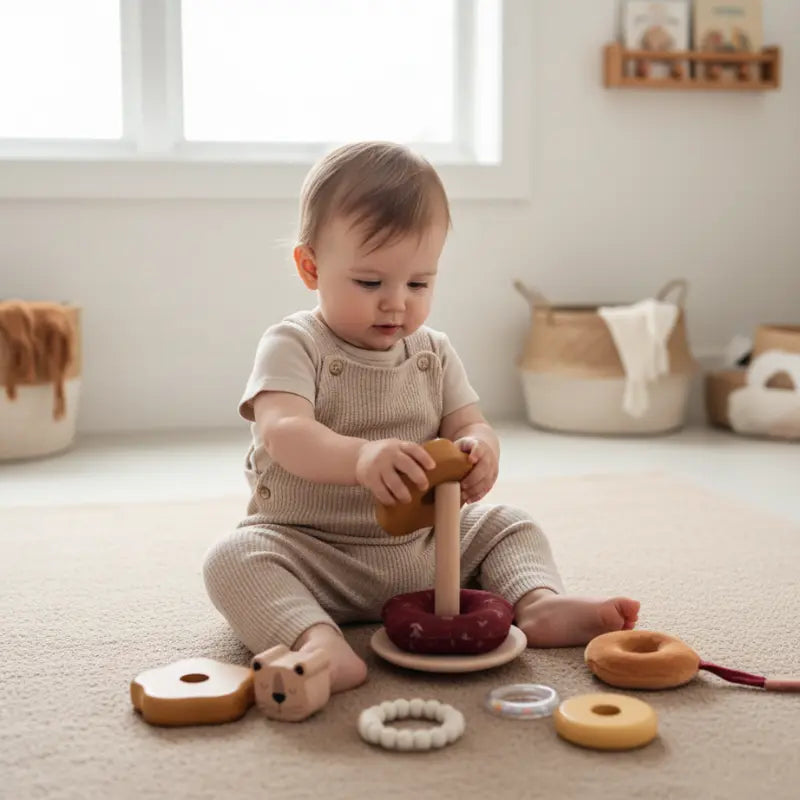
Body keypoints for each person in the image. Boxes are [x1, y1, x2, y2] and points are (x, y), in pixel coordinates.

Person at [203, 141, 639, 695]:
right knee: (232, 559)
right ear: (310, 267)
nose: (396, 304)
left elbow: (470, 423)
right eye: (370, 283)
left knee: (510, 524)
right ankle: (317, 642)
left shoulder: (433, 352)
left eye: (418, 283)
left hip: (431, 552)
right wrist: (360, 457)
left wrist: (481, 449)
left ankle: (539, 606)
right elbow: (283, 432)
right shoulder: (294, 344)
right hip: (313, 551)